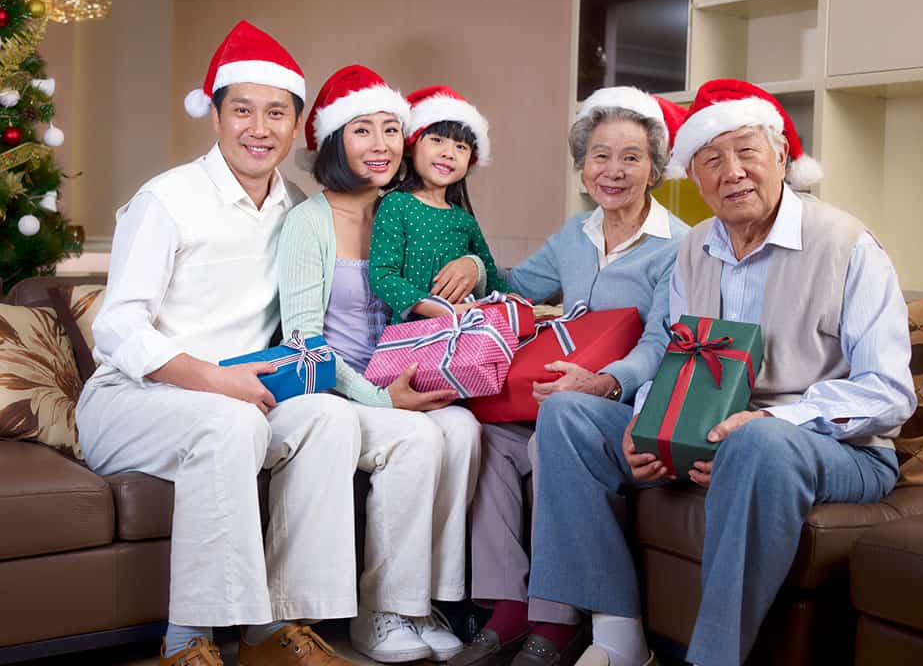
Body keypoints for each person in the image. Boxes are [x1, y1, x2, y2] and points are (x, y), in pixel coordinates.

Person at [528, 79, 916, 666]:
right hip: (707, 434)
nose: (731, 171)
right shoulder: (694, 249)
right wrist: (645, 422)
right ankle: (618, 641)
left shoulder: (847, 244)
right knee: (567, 415)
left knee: (759, 442)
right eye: (711, 159)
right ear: (695, 177)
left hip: (838, 448)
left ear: (783, 156)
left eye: (747, 152)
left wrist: (763, 422)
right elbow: (676, 356)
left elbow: (888, 393)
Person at [76, 21, 358, 666]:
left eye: (276, 113)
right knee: (227, 424)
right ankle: (190, 638)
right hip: (133, 399)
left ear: (294, 126)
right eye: (242, 111)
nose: (259, 128)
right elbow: (117, 326)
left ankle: (280, 626)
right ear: (216, 118)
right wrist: (212, 378)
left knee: (331, 418)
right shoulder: (167, 199)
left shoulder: (297, 207)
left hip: (244, 393)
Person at [452, 88, 689, 666]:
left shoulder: (679, 245)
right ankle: (507, 606)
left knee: (549, 432)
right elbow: (520, 287)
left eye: (631, 157)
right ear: (583, 164)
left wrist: (603, 381)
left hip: (622, 405)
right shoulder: (575, 235)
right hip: (560, 396)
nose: (613, 170)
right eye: (600, 155)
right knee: (486, 438)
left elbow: (664, 343)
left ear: (655, 167)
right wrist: (477, 265)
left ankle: (555, 621)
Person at [276, 65, 483, 663]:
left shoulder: (407, 211)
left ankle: (428, 602)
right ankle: (383, 613)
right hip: (337, 393)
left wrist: (471, 266)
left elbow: (474, 268)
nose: (382, 145)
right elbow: (303, 342)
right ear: (335, 141)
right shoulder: (307, 222)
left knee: (465, 430)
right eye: (362, 130)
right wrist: (377, 398)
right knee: (416, 439)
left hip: (406, 379)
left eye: (392, 129)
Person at [369, 85, 511, 320]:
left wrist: (516, 300)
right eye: (437, 140)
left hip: (463, 333)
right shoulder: (396, 205)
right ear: (411, 147)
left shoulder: (465, 221)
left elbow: (492, 279)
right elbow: (382, 276)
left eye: (461, 147)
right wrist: (435, 308)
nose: (449, 153)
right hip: (410, 338)